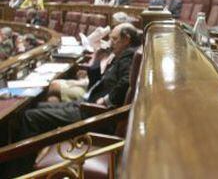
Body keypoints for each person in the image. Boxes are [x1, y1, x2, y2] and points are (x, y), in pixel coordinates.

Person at [4, 23, 141, 176]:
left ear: (126, 39)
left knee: (30, 117)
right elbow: (98, 81)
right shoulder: (122, 55)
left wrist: (106, 100)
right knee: (38, 107)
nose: (110, 42)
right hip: (88, 105)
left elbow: (125, 83)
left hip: (95, 115)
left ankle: (19, 172)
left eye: (114, 39)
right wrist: (97, 58)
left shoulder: (129, 56)